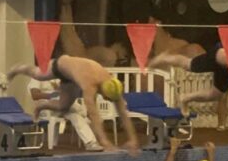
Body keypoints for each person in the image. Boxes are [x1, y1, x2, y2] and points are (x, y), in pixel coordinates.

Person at [8, 55, 139, 153]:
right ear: (103, 92)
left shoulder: (111, 83)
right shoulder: (90, 85)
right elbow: (94, 116)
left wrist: (133, 139)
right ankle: (18, 69)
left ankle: (41, 106)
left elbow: (122, 112)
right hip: (61, 66)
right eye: (108, 99)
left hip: (73, 79)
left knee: (63, 106)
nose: (110, 101)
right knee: (38, 75)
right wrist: (104, 141)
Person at [28, 77, 103, 152]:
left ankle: (91, 143)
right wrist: (52, 95)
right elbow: (35, 95)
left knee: (75, 116)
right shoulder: (37, 77)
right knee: (75, 109)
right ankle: (84, 112)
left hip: (62, 107)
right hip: (47, 107)